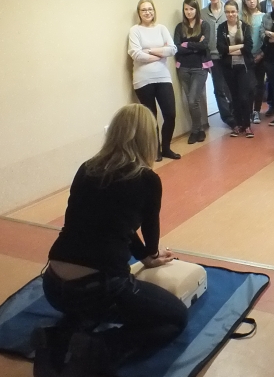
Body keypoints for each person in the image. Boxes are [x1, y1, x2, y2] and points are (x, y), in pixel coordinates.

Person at [35, 104, 187, 377]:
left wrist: (143, 257)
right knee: (175, 318)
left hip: (53, 287)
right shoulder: (147, 179)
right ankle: (99, 347)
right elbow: (150, 237)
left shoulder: (87, 169)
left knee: (89, 311)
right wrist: (150, 256)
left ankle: (58, 338)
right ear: (148, 138)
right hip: (99, 290)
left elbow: (107, 224)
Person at [127, 0, 181, 161]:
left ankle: (166, 148)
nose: (147, 12)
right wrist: (159, 53)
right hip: (143, 80)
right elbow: (136, 54)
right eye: (143, 10)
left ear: (154, 11)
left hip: (163, 77)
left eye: (150, 9)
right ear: (139, 13)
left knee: (170, 114)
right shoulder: (135, 30)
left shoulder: (161, 28)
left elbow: (172, 49)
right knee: (150, 118)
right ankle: (154, 150)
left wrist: (149, 50)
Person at [173, 0, 210, 144]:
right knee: (190, 101)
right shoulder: (179, 27)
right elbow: (177, 47)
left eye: (191, 9)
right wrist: (195, 45)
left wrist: (186, 44)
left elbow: (205, 45)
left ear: (196, 10)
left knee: (193, 99)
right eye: (186, 9)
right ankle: (199, 129)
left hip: (200, 67)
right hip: (183, 68)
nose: (189, 12)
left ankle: (195, 130)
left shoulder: (204, 25)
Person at [217, 0, 255, 137]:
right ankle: (238, 124)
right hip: (229, 67)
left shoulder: (245, 27)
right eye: (227, 12)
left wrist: (230, 50)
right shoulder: (221, 28)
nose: (230, 14)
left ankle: (247, 125)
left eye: (233, 11)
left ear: (237, 12)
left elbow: (248, 47)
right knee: (234, 97)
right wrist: (239, 47)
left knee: (244, 97)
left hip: (244, 67)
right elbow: (221, 49)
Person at [202, 0, 236, 128]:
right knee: (219, 88)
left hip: (229, 54)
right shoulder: (203, 13)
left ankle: (236, 112)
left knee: (232, 86)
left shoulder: (228, 9)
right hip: (213, 57)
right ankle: (227, 118)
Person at [242, 0, 266, 124]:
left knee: (259, 84)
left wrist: (261, 54)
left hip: (261, 55)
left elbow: (265, 38)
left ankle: (256, 110)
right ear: (244, 1)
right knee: (248, 86)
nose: (251, 1)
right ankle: (248, 111)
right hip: (246, 57)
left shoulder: (263, 16)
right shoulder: (242, 17)